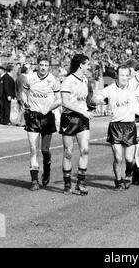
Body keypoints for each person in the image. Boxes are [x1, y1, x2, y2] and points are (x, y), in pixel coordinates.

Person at [92, 65, 137, 190]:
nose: (124, 78)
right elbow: (97, 97)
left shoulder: (133, 86)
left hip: (130, 126)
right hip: (115, 127)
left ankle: (128, 174)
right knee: (118, 158)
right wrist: (97, 101)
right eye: (121, 75)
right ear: (117, 75)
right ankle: (118, 181)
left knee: (129, 159)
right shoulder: (110, 89)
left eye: (126, 75)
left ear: (129, 76)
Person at [21, 55, 61, 191]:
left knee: (45, 150)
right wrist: (24, 101)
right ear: (37, 65)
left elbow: (59, 99)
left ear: (48, 66)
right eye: (41, 64)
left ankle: (47, 168)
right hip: (33, 116)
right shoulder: (29, 78)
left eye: (45, 65)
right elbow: (23, 92)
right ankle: (34, 180)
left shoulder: (53, 80)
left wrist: (48, 108)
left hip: (47, 117)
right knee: (33, 149)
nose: (43, 67)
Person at [59, 53, 92, 195]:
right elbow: (65, 102)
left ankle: (80, 183)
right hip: (69, 119)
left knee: (85, 150)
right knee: (68, 153)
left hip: (82, 119)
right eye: (87, 64)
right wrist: (82, 111)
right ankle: (67, 184)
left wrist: (91, 106)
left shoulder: (85, 80)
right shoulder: (68, 81)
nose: (89, 67)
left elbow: (85, 99)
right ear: (81, 65)